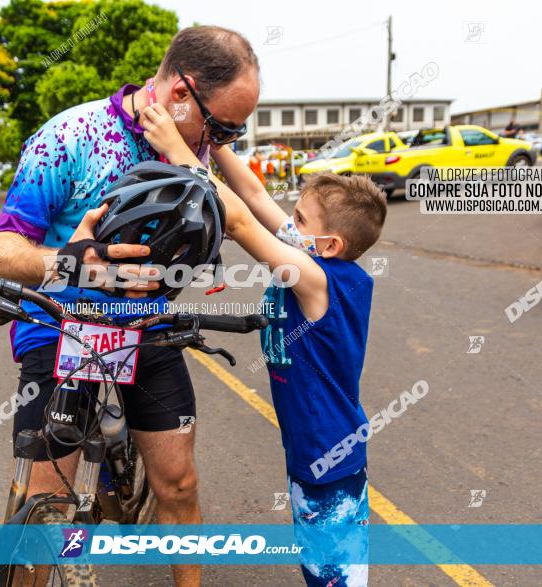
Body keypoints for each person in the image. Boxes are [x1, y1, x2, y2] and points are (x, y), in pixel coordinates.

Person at [0, 26, 259, 586]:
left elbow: (248, 212)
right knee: (47, 506)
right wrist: (72, 264)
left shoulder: (195, 148)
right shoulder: (71, 136)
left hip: (148, 328)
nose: (225, 139)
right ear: (182, 93)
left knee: (178, 484)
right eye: (223, 125)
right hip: (65, 329)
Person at [140, 102, 387, 587]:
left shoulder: (317, 278)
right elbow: (252, 194)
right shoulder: (313, 255)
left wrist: (176, 150)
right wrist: (215, 147)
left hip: (327, 452)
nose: (290, 222)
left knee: (333, 574)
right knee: (321, 564)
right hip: (313, 446)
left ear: (331, 243)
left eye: (300, 217)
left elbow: (239, 223)